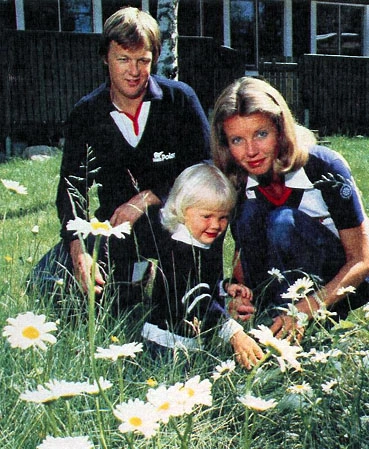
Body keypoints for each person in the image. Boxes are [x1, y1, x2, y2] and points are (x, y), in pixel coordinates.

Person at [31, 7, 210, 307]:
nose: (134, 71)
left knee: (179, 300)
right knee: (48, 282)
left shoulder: (180, 101)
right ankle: (133, 278)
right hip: (115, 226)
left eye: (143, 60)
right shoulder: (86, 114)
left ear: (154, 58)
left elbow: (206, 170)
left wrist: (147, 198)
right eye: (123, 59)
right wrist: (78, 252)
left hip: (175, 219)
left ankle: (163, 284)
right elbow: (71, 191)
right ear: (105, 58)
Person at [210, 76, 369, 338]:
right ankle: (271, 316)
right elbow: (243, 249)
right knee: (251, 214)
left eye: (261, 134)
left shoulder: (324, 168)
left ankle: (307, 324)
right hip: (281, 278)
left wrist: (308, 308)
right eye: (237, 140)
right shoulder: (236, 178)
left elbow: (362, 259)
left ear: (281, 130)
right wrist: (239, 292)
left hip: (338, 285)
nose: (251, 150)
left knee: (283, 221)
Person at [140, 163, 263, 369]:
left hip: (189, 341)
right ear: (182, 210)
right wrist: (233, 332)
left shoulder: (200, 242)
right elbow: (195, 296)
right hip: (165, 345)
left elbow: (203, 281)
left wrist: (224, 288)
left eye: (223, 217)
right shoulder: (177, 249)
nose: (216, 225)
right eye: (207, 216)